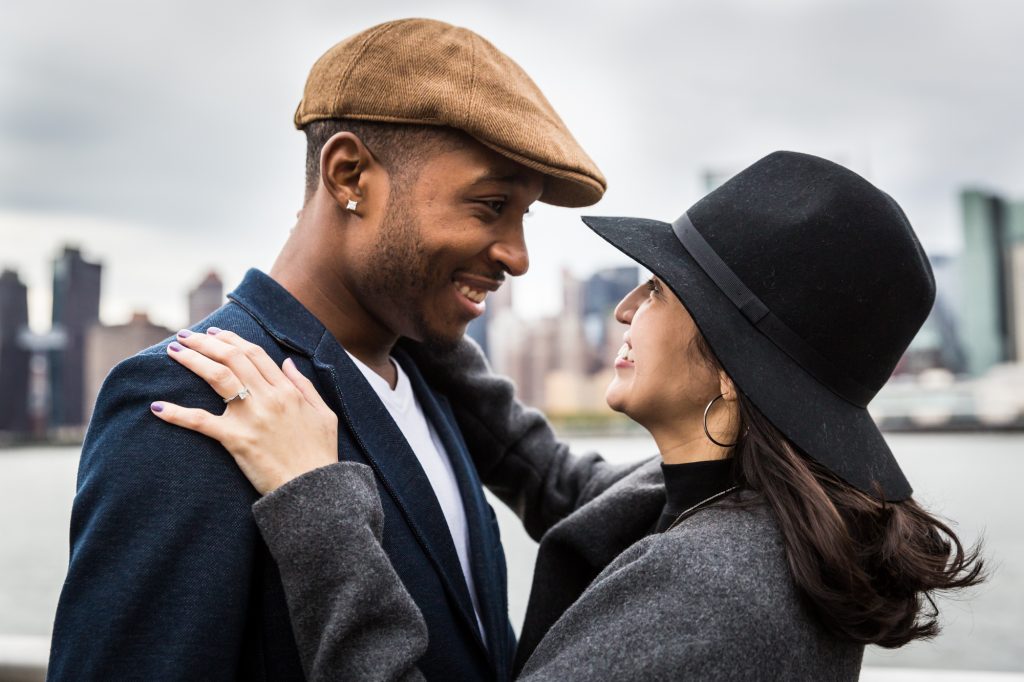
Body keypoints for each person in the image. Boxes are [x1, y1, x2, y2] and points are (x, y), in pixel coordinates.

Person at [153, 151, 984, 680]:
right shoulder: (748, 518)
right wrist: (411, 296)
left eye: (660, 288)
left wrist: (315, 500)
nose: (627, 308)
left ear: (733, 369)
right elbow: (544, 472)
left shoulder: (712, 597)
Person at [47, 18, 605, 681]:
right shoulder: (198, 395)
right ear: (349, 175)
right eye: (489, 206)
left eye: (525, 217)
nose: (518, 256)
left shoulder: (431, 382)